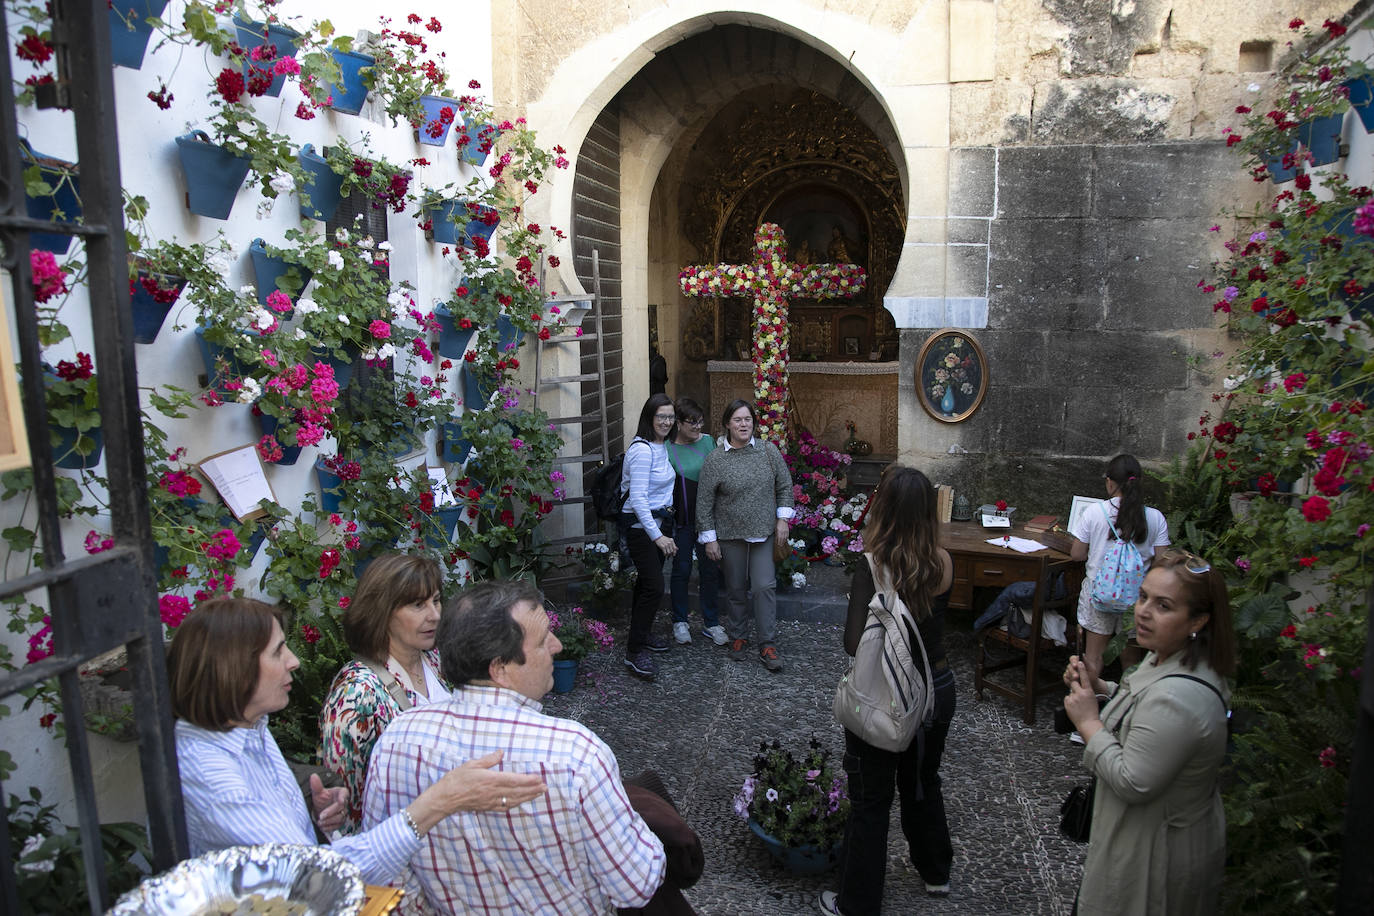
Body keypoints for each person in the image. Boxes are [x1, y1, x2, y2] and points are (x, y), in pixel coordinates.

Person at [166, 597, 545, 885]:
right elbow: (315, 876)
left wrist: (310, 813)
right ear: (233, 668)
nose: (294, 661)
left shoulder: (250, 727)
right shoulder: (209, 771)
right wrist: (441, 800)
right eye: (278, 651)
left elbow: (282, 843)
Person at [363, 580, 668, 914]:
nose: (557, 645)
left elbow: (388, 878)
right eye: (542, 640)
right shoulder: (575, 755)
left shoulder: (396, 740)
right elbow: (636, 885)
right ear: (500, 669)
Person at [1062, 550, 1235, 915]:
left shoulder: (1179, 698)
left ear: (1198, 620)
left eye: (1163, 605)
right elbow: (1143, 705)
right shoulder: (1167, 656)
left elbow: (1133, 781)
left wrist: (1088, 722)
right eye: (1143, 597)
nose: (1143, 611)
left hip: (1154, 856)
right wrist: (1100, 688)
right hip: (1146, 838)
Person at [819, 465, 957, 915]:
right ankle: (935, 872)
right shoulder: (943, 562)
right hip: (935, 688)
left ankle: (857, 903)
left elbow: (852, 643)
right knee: (922, 782)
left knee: (871, 799)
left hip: (885, 693)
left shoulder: (873, 564)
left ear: (885, 510)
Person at [320, 553, 451, 834]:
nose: (434, 615)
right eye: (418, 605)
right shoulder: (356, 692)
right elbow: (346, 807)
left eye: (436, 600)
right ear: (383, 611)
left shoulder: (434, 660)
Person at [696, 399, 795, 672]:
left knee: (764, 586)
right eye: (738, 420)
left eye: (748, 419)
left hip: (764, 532)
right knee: (736, 588)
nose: (743, 424)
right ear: (727, 424)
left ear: (754, 423)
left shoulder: (767, 451)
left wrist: (783, 519)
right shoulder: (716, 459)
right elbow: (704, 502)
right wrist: (710, 539)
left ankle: (767, 643)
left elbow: (784, 485)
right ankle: (738, 636)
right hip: (730, 535)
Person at [1069, 454, 1170, 685]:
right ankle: (1128, 703)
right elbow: (1162, 562)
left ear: (1110, 482)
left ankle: (1088, 701)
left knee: (1093, 658)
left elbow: (1077, 554)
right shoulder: (1155, 518)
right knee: (1131, 660)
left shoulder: (1094, 512)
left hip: (1099, 594)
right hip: (1137, 598)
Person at [620, 393, 679, 680]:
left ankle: (641, 634)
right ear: (649, 418)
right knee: (655, 587)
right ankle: (634, 651)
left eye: (670, 417)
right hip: (642, 529)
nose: (666, 422)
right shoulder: (642, 451)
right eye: (661, 416)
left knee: (646, 584)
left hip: (658, 525)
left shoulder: (661, 445)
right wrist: (658, 537)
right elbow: (638, 499)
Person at [665, 396, 726, 647]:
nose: (698, 427)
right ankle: (680, 621)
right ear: (678, 423)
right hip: (682, 518)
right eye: (692, 422)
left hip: (709, 518)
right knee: (681, 569)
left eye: (700, 421)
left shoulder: (709, 442)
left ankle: (711, 622)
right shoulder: (667, 448)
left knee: (710, 570)